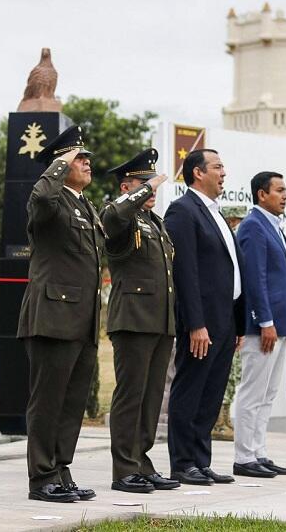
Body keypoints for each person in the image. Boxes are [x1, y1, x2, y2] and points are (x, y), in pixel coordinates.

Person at [17, 126, 105, 502]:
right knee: (48, 400)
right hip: (52, 316)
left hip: (82, 319)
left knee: (72, 401)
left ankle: (61, 468)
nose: (85, 163)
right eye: (77, 158)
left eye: (85, 157)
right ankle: (41, 477)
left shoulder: (84, 204)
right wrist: (56, 167)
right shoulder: (49, 200)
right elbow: (39, 202)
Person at [100, 148, 179, 494]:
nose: (152, 190)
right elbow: (113, 217)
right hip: (132, 320)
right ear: (126, 187)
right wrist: (144, 190)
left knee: (150, 398)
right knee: (131, 395)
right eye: (143, 184)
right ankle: (124, 468)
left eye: (152, 184)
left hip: (160, 321)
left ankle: (141, 461)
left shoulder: (155, 224)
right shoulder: (120, 217)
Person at [164, 149, 244, 486]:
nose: (224, 172)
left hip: (225, 320)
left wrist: (239, 323)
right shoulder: (183, 211)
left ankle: (201, 459)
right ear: (198, 173)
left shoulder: (216, 213)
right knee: (191, 388)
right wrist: (195, 323)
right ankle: (183, 462)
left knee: (211, 392)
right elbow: (186, 272)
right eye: (218, 167)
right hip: (203, 322)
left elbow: (231, 271)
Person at [232, 171, 286, 479]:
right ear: (261, 194)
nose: (285, 195)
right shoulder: (254, 226)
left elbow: (284, 281)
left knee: (268, 394)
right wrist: (265, 320)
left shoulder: (275, 227)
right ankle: (243, 456)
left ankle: (259, 451)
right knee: (253, 392)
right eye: (279, 190)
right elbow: (254, 279)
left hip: (281, 326)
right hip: (263, 327)